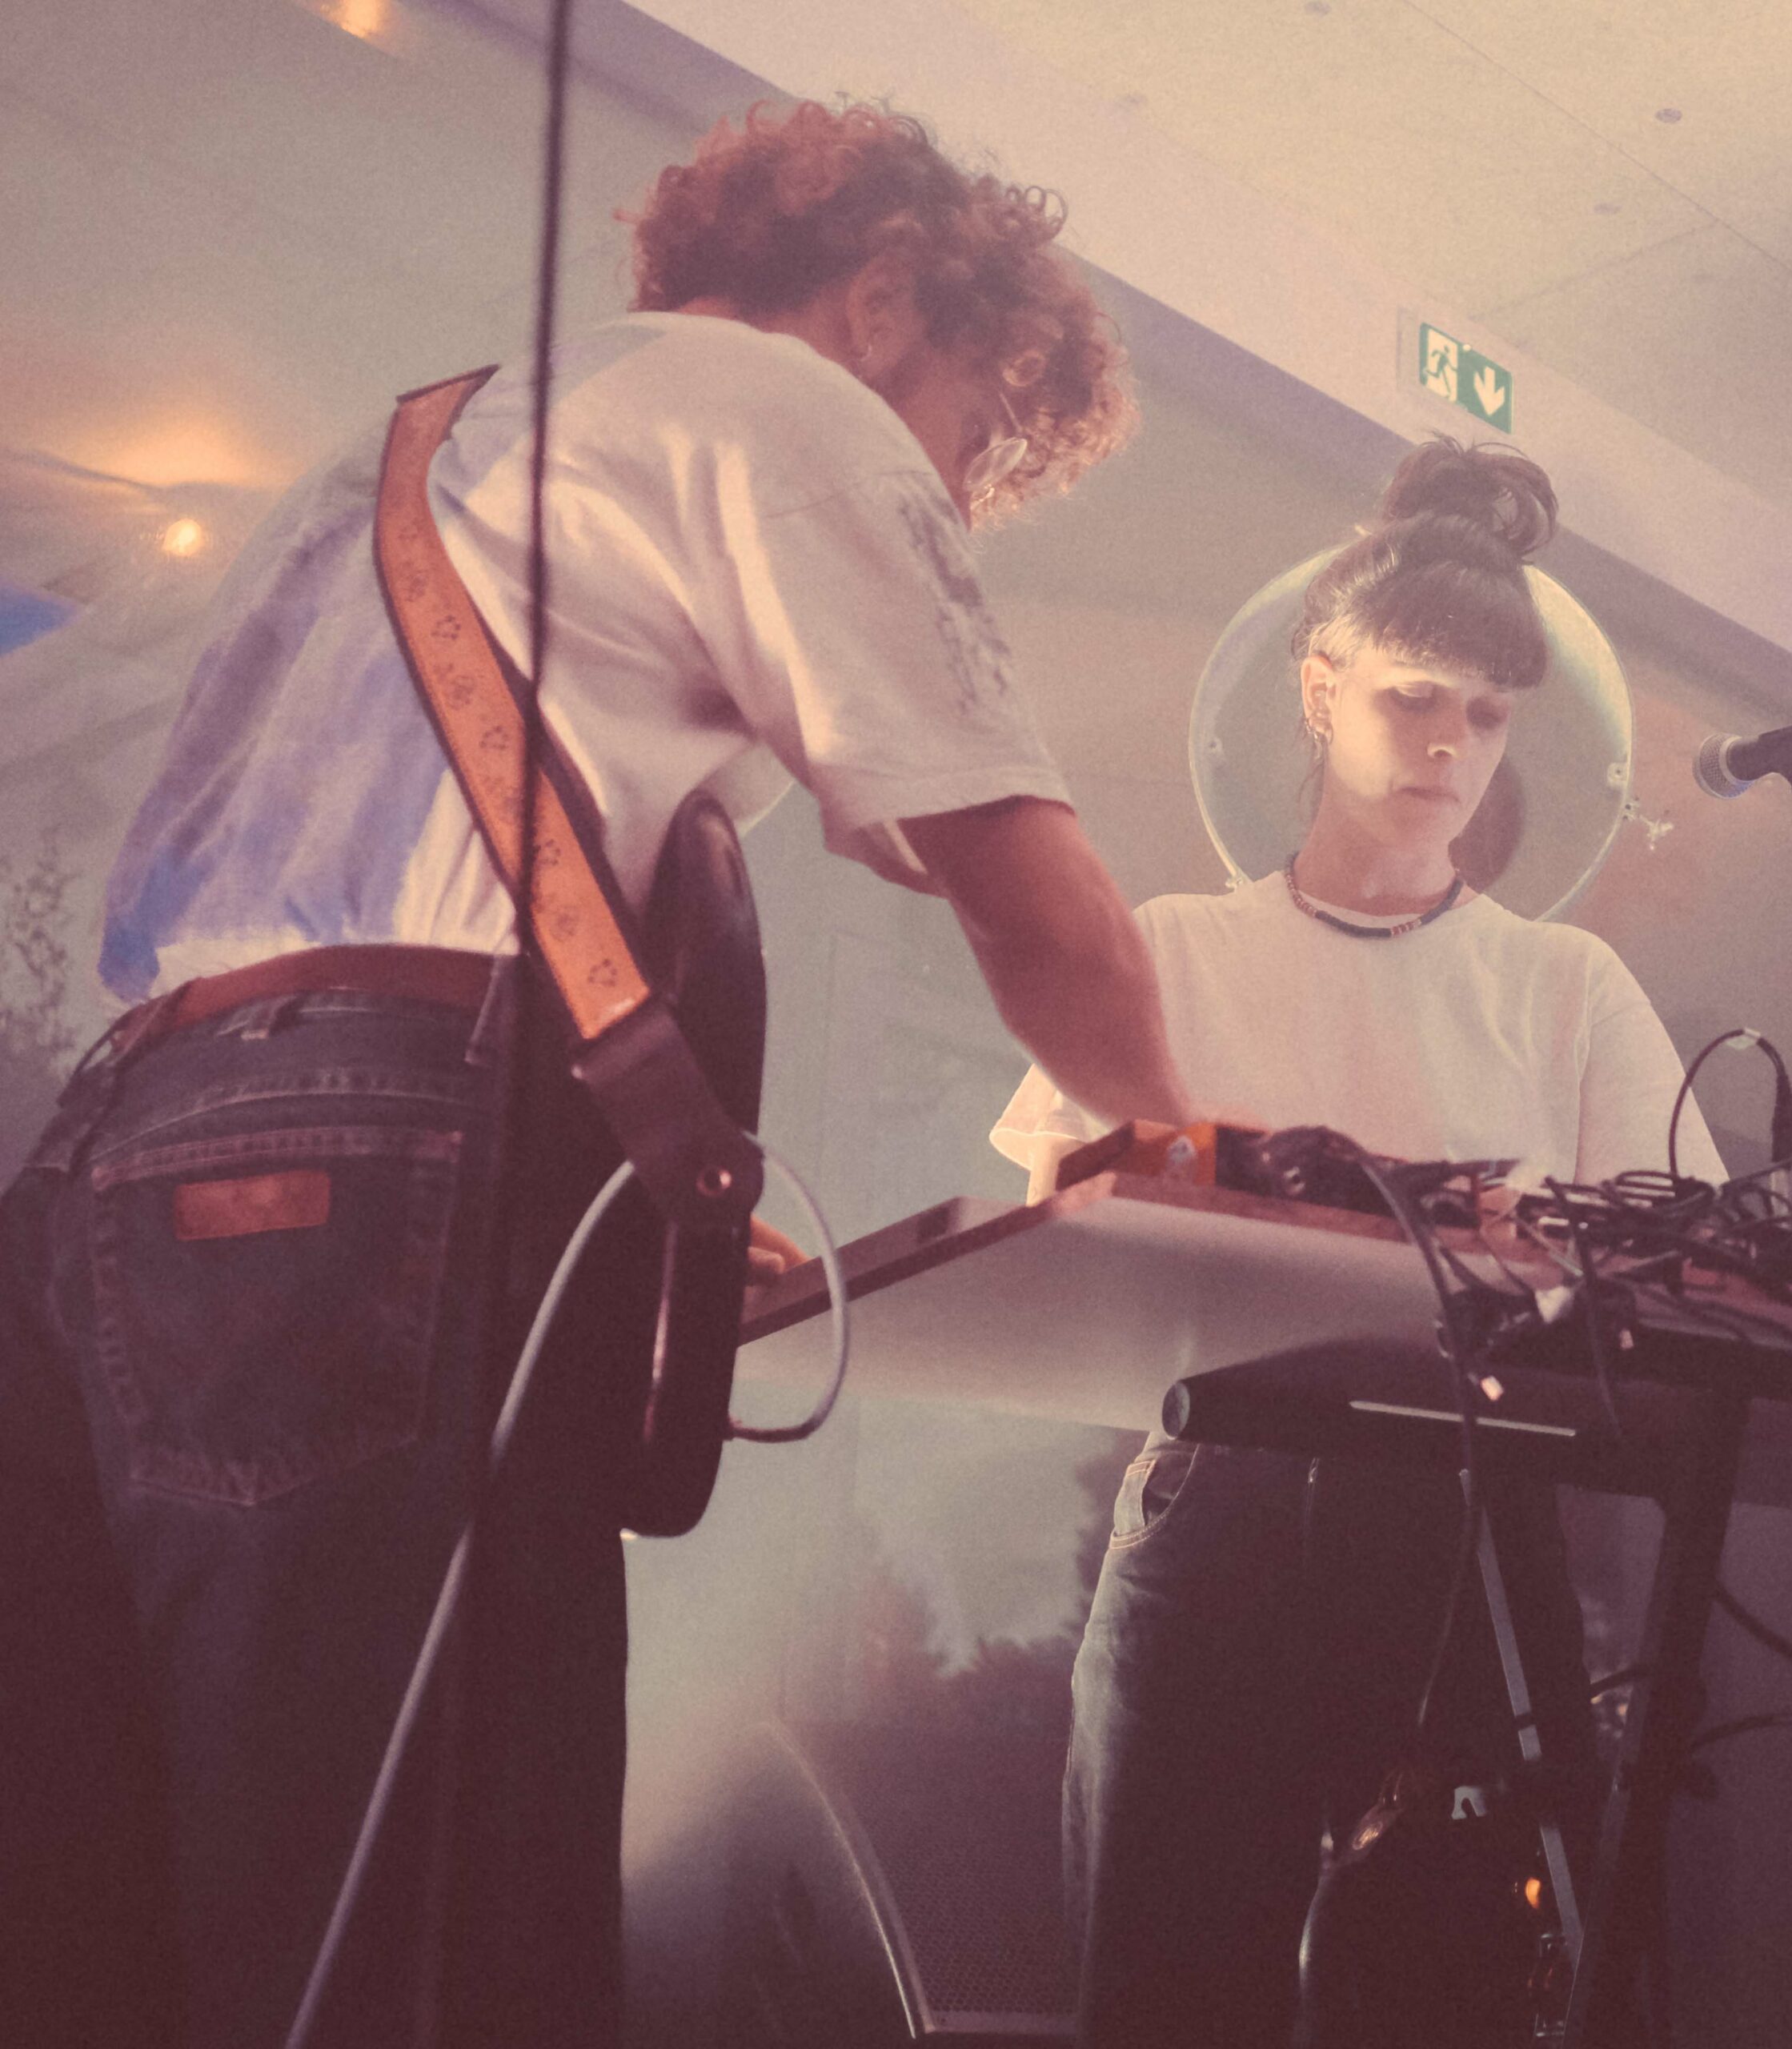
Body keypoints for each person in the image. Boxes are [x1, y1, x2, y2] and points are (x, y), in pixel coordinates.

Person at [0, 99, 1190, 2049]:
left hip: (112, 1176)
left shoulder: (411, 446)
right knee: (437, 1946)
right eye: (973, 436)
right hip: (381, 1169)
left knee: (119, 1933)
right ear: (888, 298)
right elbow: (1030, 905)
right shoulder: (789, 408)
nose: (954, 497)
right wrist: (1201, 1151)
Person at [993, 439, 1792, 2048]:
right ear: (1317, 688)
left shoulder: (1565, 985)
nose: (1447, 743)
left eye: (1486, 714)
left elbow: (1677, 1259)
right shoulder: (1176, 948)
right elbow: (1057, 1207)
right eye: (1412, 696)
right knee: (1165, 1994)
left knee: (1446, 2001)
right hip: (1217, 1502)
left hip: (1475, 1528)